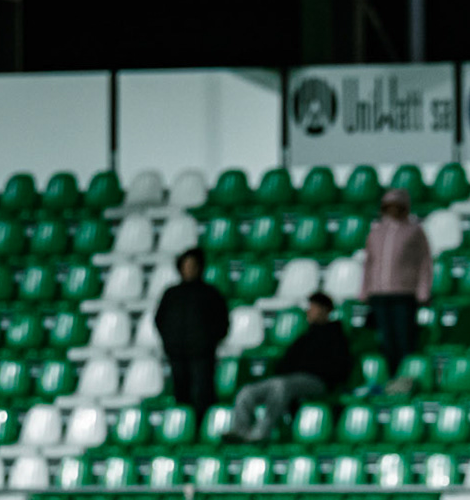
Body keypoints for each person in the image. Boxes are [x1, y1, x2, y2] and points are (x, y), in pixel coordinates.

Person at [224, 292, 351, 443]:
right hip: (290, 380)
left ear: (325, 310)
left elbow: (338, 368)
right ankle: (240, 430)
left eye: (314, 307)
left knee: (280, 386)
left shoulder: (337, 338)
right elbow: (285, 363)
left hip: (317, 382)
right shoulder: (305, 337)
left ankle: (261, 433)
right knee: (247, 392)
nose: (309, 311)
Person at [361, 187, 432, 378]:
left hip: (404, 293)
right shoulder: (376, 232)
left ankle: (406, 377)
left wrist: (423, 291)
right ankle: (390, 377)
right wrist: (365, 290)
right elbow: (369, 263)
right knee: (386, 339)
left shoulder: (414, 231)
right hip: (379, 294)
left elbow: (424, 261)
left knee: (404, 338)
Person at [153, 247, 229, 415]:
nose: (189, 269)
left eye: (193, 265)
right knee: (181, 394)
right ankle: (184, 428)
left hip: (202, 355)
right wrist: (170, 344)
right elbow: (159, 320)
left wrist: (207, 343)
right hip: (177, 354)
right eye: (186, 265)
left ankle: (204, 430)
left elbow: (222, 323)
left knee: (204, 394)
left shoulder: (211, 294)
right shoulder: (171, 294)